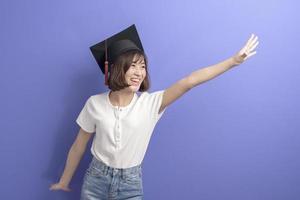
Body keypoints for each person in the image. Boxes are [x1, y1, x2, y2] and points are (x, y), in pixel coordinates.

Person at [49, 24, 259, 199]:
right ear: (114, 69)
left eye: (142, 66)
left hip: (130, 185)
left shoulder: (152, 103)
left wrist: (232, 62)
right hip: (95, 181)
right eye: (132, 66)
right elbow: (78, 146)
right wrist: (64, 181)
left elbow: (190, 81)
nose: (139, 72)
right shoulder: (94, 103)